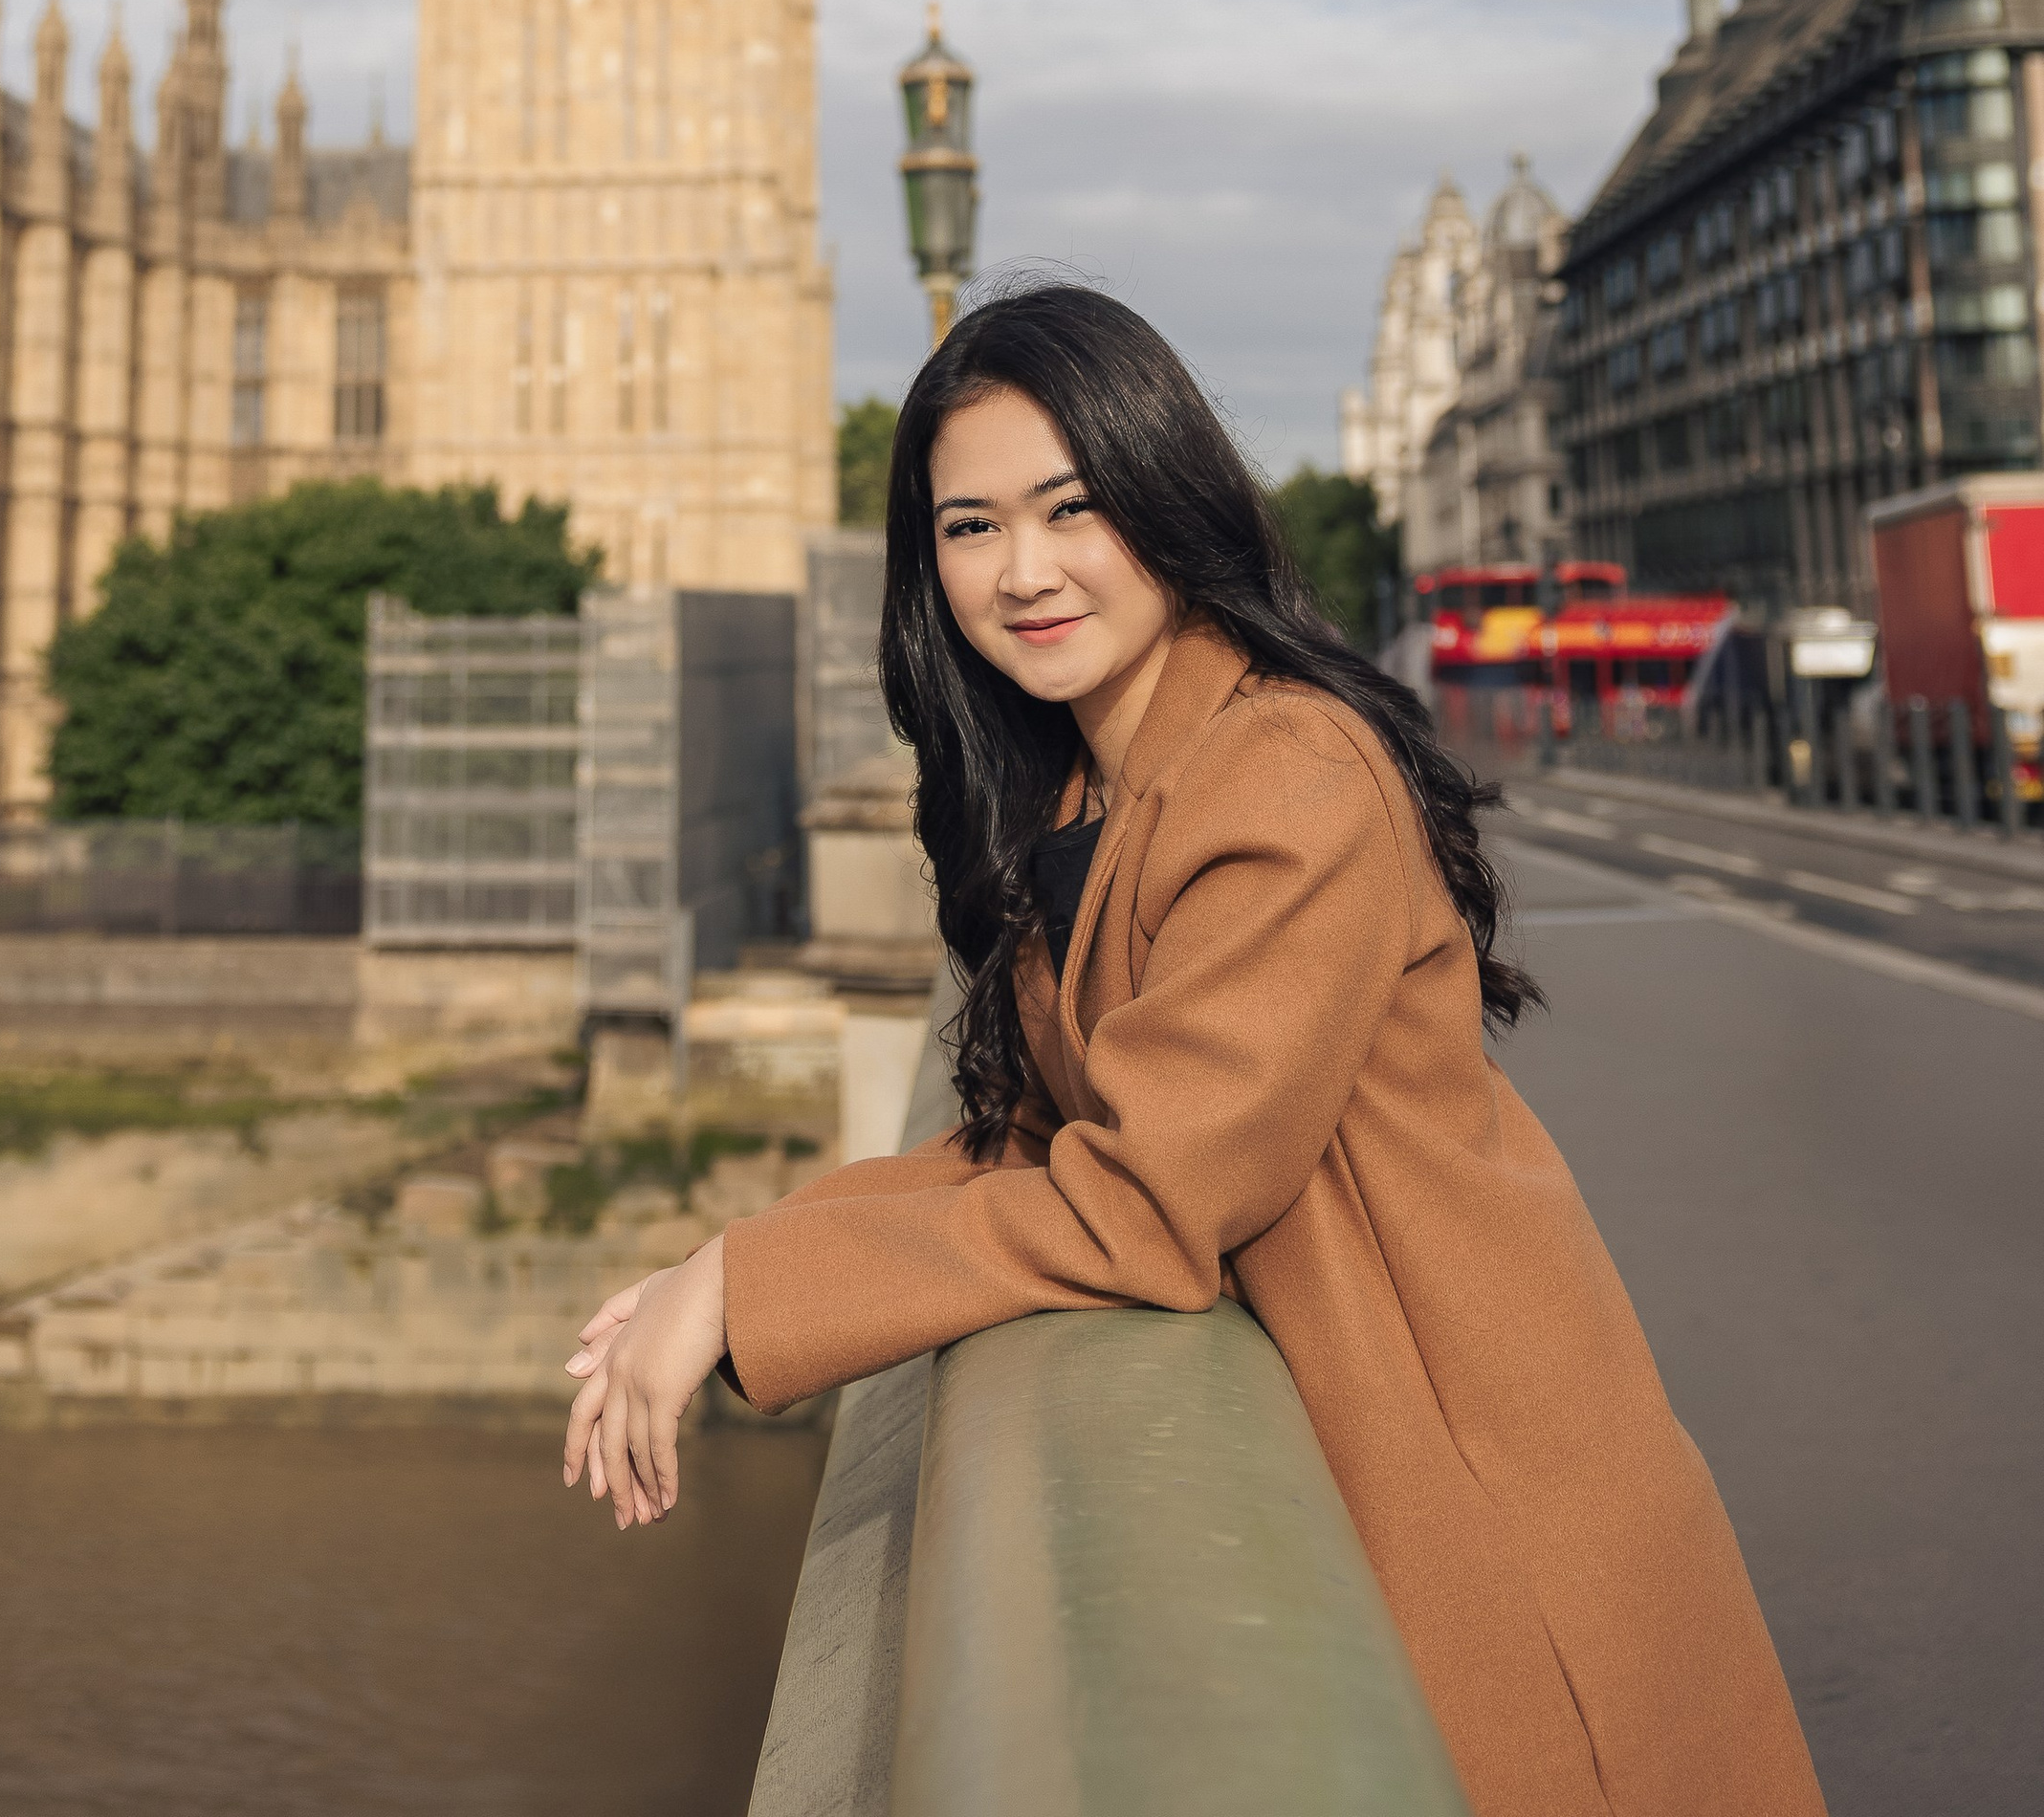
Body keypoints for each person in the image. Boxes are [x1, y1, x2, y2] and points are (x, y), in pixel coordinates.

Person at [560, 287, 1825, 1817]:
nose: (1022, 572)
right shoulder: (1092, 786)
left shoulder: (1281, 770)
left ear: (1164, 494)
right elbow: (1037, 1157)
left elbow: (1146, 1208)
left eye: (1069, 508)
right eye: (969, 528)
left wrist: (747, 1298)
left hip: (1492, 1517)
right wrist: (732, 1260)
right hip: (1384, 1475)